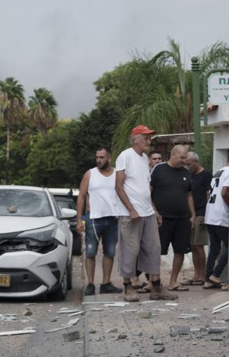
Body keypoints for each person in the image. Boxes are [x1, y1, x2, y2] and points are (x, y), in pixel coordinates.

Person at [115, 125, 175, 303]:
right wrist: (131, 209)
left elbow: (144, 189)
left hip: (147, 212)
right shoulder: (125, 156)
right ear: (135, 139)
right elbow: (118, 186)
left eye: (150, 138)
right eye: (146, 138)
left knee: (154, 248)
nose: (149, 141)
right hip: (130, 214)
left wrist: (154, 210)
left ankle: (156, 286)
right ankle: (128, 287)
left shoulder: (143, 159)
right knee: (130, 250)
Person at [75, 147, 124, 297]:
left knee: (109, 252)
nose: (98, 160)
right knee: (90, 252)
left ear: (109, 158)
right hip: (93, 219)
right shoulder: (90, 174)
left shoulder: (117, 174)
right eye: (97, 157)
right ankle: (90, 284)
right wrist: (79, 220)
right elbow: (81, 196)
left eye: (102, 157)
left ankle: (105, 284)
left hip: (113, 219)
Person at [150, 144, 194, 292]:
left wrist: (192, 215)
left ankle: (173, 281)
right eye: (181, 157)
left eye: (185, 157)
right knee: (156, 250)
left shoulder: (186, 172)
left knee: (180, 250)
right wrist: (154, 211)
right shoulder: (159, 169)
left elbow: (189, 195)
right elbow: (148, 192)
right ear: (173, 155)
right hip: (162, 218)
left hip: (182, 218)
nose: (184, 160)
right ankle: (153, 282)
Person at [204, 152, 229, 290]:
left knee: (214, 248)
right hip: (221, 215)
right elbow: (225, 192)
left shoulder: (219, 171)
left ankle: (208, 278)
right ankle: (216, 273)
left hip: (210, 214)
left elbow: (209, 192)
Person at [185, 151, 210, 286]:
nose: (187, 167)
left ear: (196, 162)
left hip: (202, 212)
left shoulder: (206, 175)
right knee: (193, 246)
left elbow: (209, 194)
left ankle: (203, 274)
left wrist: (208, 214)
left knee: (199, 245)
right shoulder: (188, 176)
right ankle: (196, 274)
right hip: (190, 213)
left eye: (189, 164)